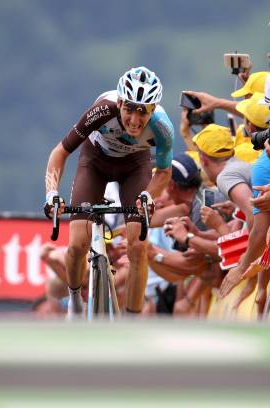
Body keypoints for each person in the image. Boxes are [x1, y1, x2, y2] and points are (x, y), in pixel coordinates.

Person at [43, 66, 174, 318]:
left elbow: (164, 172)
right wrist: (52, 194)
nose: (134, 120)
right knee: (77, 243)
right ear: (120, 102)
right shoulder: (102, 110)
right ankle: (74, 301)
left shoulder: (163, 128)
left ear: (153, 110)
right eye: (129, 109)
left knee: (138, 247)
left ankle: (132, 320)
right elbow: (60, 152)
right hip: (95, 164)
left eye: (142, 112)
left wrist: (148, 195)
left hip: (135, 168)